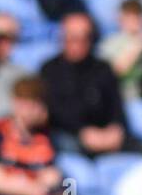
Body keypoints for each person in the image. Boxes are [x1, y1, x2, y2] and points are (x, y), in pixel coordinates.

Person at [39, 12, 127, 156]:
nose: (78, 44)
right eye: (72, 38)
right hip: (68, 138)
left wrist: (114, 131)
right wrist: (82, 132)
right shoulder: (49, 70)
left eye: (84, 38)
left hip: (104, 138)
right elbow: (54, 111)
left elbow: (116, 107)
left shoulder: (103, 69)